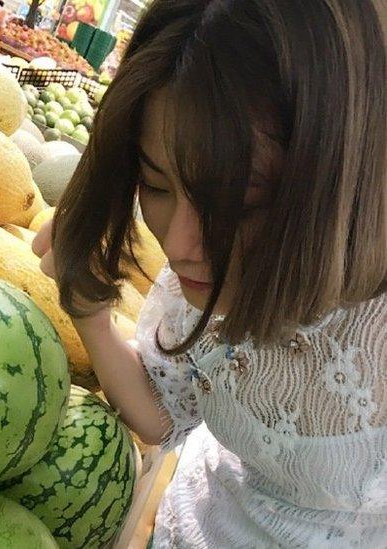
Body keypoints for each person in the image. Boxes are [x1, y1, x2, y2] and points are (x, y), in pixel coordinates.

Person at [33, 0, 386, 547]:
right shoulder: (192, 295)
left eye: (239, 202)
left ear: (338, 188)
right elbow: (164, 417)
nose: (177, 246)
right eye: (155, 185)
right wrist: (88, 311)